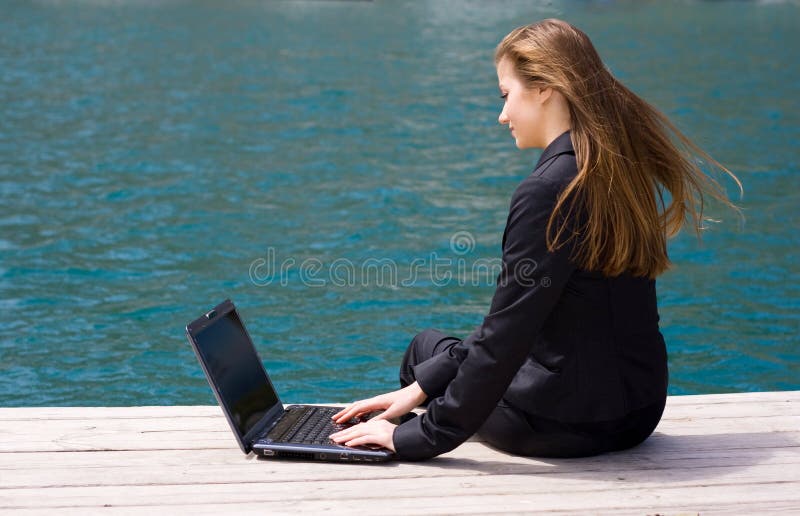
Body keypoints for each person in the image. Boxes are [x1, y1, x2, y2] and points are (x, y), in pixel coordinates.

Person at [329, 18, 741, 461]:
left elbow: (506, 337)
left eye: (506, 96)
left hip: (562, 425)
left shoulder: (546, 190)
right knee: (433, 366)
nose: (502, 114)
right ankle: (420, 393)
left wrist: (413, 437)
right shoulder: (621, 170)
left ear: (544, 87)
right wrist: (424, 388)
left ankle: (396, 422)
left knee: (422, 349)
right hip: (639, 413)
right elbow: (522, 323)